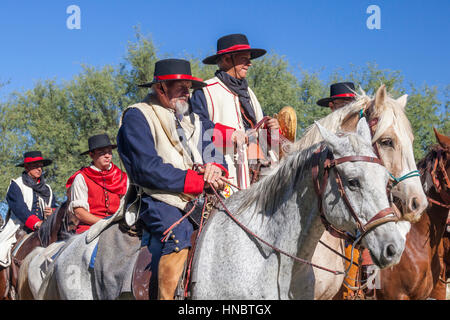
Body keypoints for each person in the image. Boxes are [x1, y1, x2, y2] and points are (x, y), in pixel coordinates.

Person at [117, 58, 228, 300]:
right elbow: (146, 168)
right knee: (179, 236)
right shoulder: (137, 116)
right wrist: (197, 182)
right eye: (180, 87)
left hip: (204, 197)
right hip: (158, 197)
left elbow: (217, 155)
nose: (187, 93)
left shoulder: (198, 120)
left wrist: (216, 169)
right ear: (161, 88)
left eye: (188, 87)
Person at [191, 33, 280, 190]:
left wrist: (270, 130)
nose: (249, 63)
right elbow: (196, 127)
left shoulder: (250, 94)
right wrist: (229, 135)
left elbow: (257, 135)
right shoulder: (204, 90)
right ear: (226, 60)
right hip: (224, 175)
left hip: (256, 175)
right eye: (244, 59)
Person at [66, 134, 128, 234]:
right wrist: (105, 223)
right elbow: (79, 212)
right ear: (91, 155)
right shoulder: (81, 177)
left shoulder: (122, 177)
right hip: (89, 229)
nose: (107, 155)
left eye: (109, 152)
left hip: (118, 228)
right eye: (102, 153)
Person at [6, 151, 57, 232]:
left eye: (41, 166)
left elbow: (54, 206)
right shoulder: (16, 185)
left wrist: (53, 212)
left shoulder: (47, 189)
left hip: (46, 228)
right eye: (35, 166)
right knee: (4, 244)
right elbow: (19, 208)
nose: (39, 169)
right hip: (20, 228)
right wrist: (36, 223)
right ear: (27, 167)